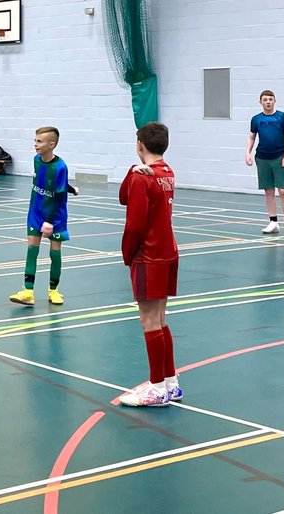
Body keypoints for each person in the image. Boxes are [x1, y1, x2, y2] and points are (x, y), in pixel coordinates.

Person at [117, 121, 181, 407]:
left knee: (149, 321)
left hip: (149, 256)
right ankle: (170, 382)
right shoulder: (166, 172)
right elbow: (124, 197)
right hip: (168, 252)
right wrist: (133, 171)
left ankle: (156, 388)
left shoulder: (143, 179)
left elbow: (134, 224)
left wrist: (128, 254)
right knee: (160, 319)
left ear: (139, 145)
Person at [9, 126, 69, 307]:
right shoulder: (36, 160)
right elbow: (46, 184)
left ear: (52, 145)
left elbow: (59, 196)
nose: (35, 144)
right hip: (35, 212)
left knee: (55, 253)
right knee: (32, 250)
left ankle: (53, 290)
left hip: (55, 216)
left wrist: (49, 222)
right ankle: (28, 291)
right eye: (35, 140)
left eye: (40, 141)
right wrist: (72, 188)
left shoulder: (60, 167)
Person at [245, 90, 284, 235]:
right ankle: (273, 222)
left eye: (270, 99)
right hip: (262, 158)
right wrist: (247, 153)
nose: (268, 102)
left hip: (279, 157)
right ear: (260, 102)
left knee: (283, 191)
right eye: (265, 99)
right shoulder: (256, 119)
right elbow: (252, 137)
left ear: (274, 101)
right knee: (269, 191)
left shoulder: (282, 117)